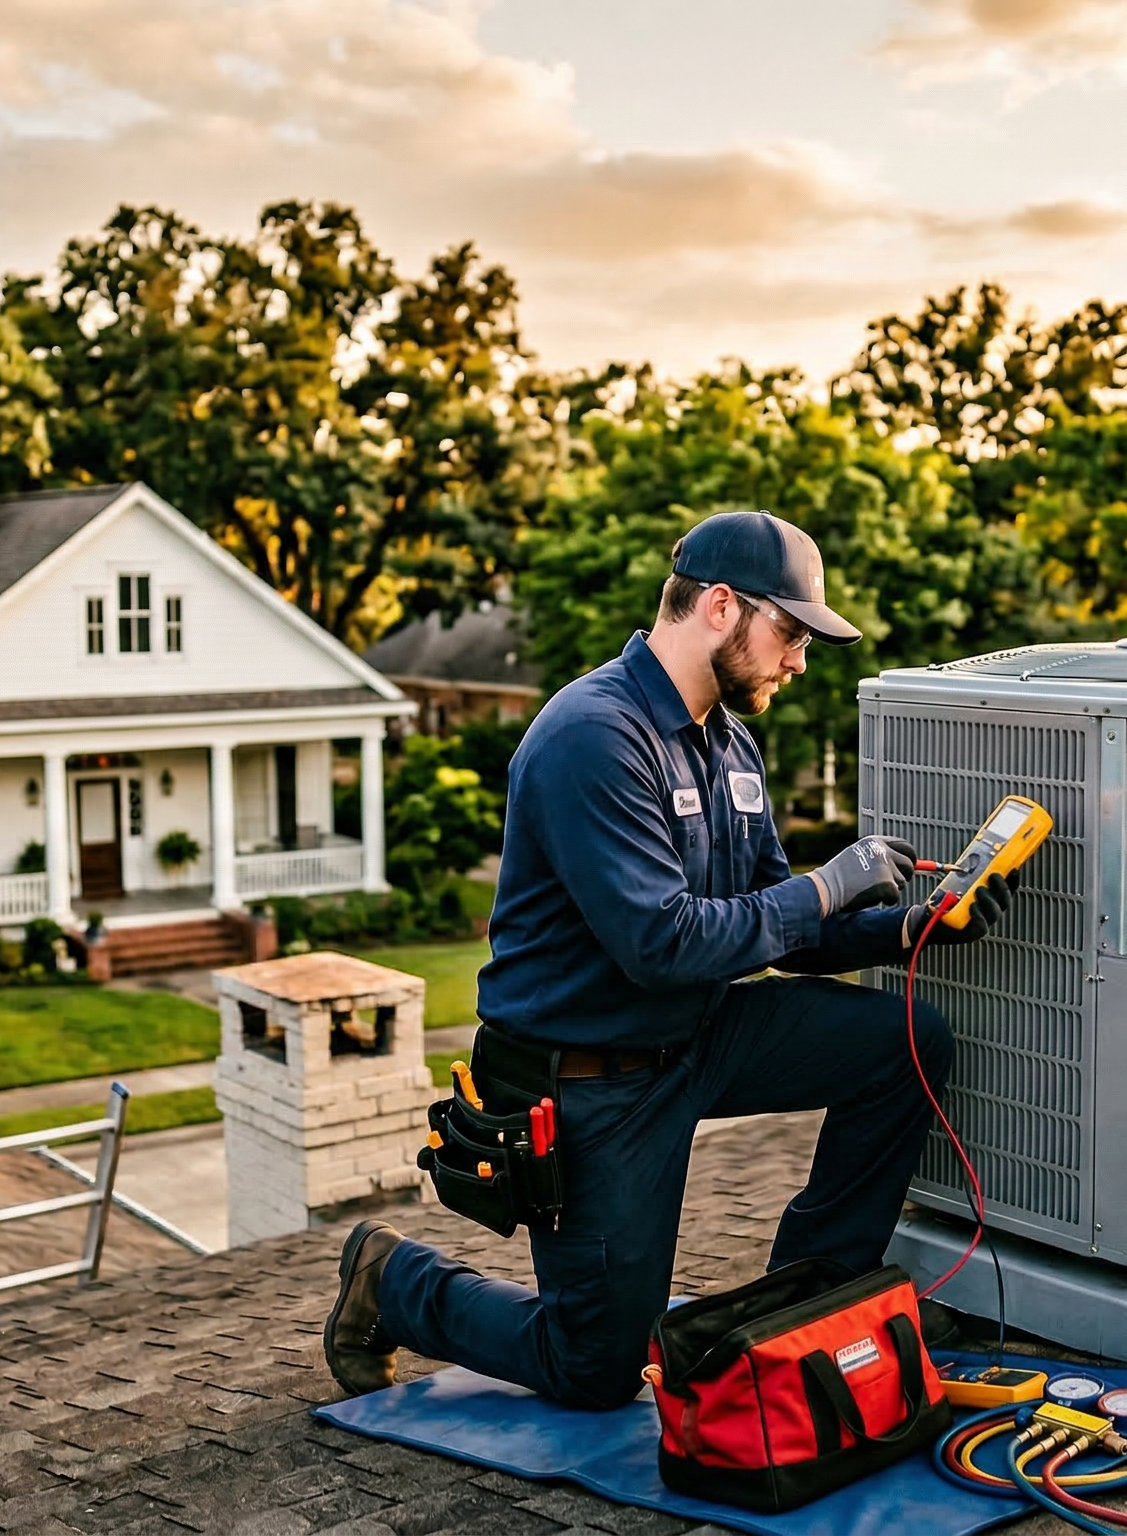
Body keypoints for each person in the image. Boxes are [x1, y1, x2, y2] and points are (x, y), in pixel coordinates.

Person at [323, 509, 1012, 1409]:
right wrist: (833, 884)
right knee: (597, 1369)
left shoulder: (731, 742)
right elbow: (664, 943)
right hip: (590, 1078)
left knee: (906, 1040)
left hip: (699, 1035)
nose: (799, 660)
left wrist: (910, 928)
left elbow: (775, 926)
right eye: (791, 633)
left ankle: (806, 1306)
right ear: (721, 607)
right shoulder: (593, 736)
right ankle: (392, 1282)